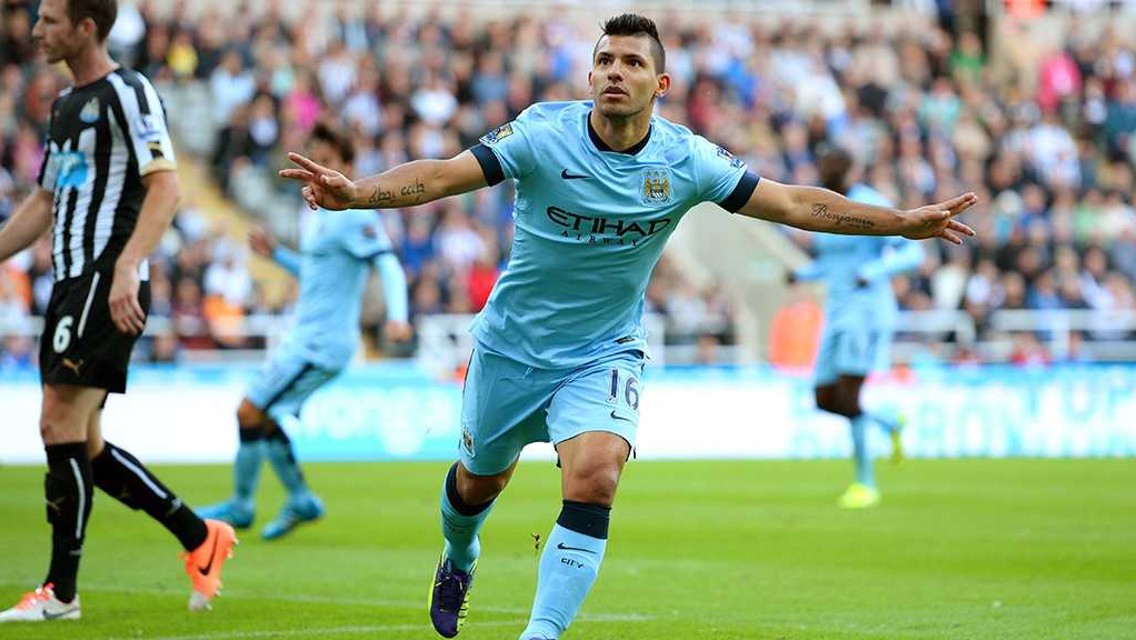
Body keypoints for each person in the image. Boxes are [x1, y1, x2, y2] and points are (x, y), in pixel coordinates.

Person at [280, 14, 977, 639]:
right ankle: (460, 557)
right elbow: (442, 176)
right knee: (476, 486)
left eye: (633, 62)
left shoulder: (685, 160)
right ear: (590, 74)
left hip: (603, 351)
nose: (617, 71)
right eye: (606, 60)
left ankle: (540, 635)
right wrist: (360, 193)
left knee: (596, 475)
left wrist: (901, 223)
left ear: (661, 82)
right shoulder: (541, 133)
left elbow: (794, 203)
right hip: (511, 348)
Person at [0, 0, 235, 622]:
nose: (36, 29)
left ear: (85, 27)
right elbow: (46, 200)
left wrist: (128, 266)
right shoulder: (63, 107)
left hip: (109, 280)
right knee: (86, 443)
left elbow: (167, 185)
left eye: (49, 19)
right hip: (73, 282)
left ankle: (61, 593)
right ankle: (199, 536)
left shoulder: (128, 92)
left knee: (57, 422)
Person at [197, 122, 411, 540]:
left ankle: (241, 505)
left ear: (348, 166)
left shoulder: (354, 213)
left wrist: (397, 316)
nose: (319, 169)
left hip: (321, 345)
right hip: (305, 338)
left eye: (328, 161)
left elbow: (386, 263)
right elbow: (316, 273)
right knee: (268, 417)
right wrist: (276, 255)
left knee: (249, 410)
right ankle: (300, 499)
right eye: (315, 159)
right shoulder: (316, 214)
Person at [787, 147, 925, 509]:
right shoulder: (821, 203)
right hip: (835, 312)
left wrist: (875, 272)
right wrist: (801, 274)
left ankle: (866, 483)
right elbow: (831, 263)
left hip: (865, 312)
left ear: (848, 170)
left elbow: (913, 252)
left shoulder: (869, 204)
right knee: (824, 398)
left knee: (848, 396)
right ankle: (889, 421)